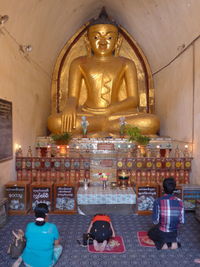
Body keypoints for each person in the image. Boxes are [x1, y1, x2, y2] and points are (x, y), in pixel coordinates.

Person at [48, 8, 160, 137]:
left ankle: (100, 127)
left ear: (118, 42)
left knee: (152, 122)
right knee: (54, 122)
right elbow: (73, 97)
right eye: (96, 37)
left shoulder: (126, 63)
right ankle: (106, 127)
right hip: (88, 114)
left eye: (109, 37)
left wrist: (110, 110)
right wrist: (69, 107)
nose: (102, 42)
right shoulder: (79, 62)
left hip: (115, 115)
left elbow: (133, 100)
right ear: (87, 40)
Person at [148, 177, 184, 250]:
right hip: (174, 231)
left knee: (151, 232)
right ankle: (173, 242)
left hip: (162, 231)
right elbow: (182, 221)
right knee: (171, 231)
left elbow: (155, 221)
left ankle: (163, 243)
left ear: (163, 188)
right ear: (174, 188)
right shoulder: (180, 201)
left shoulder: (158, 201)